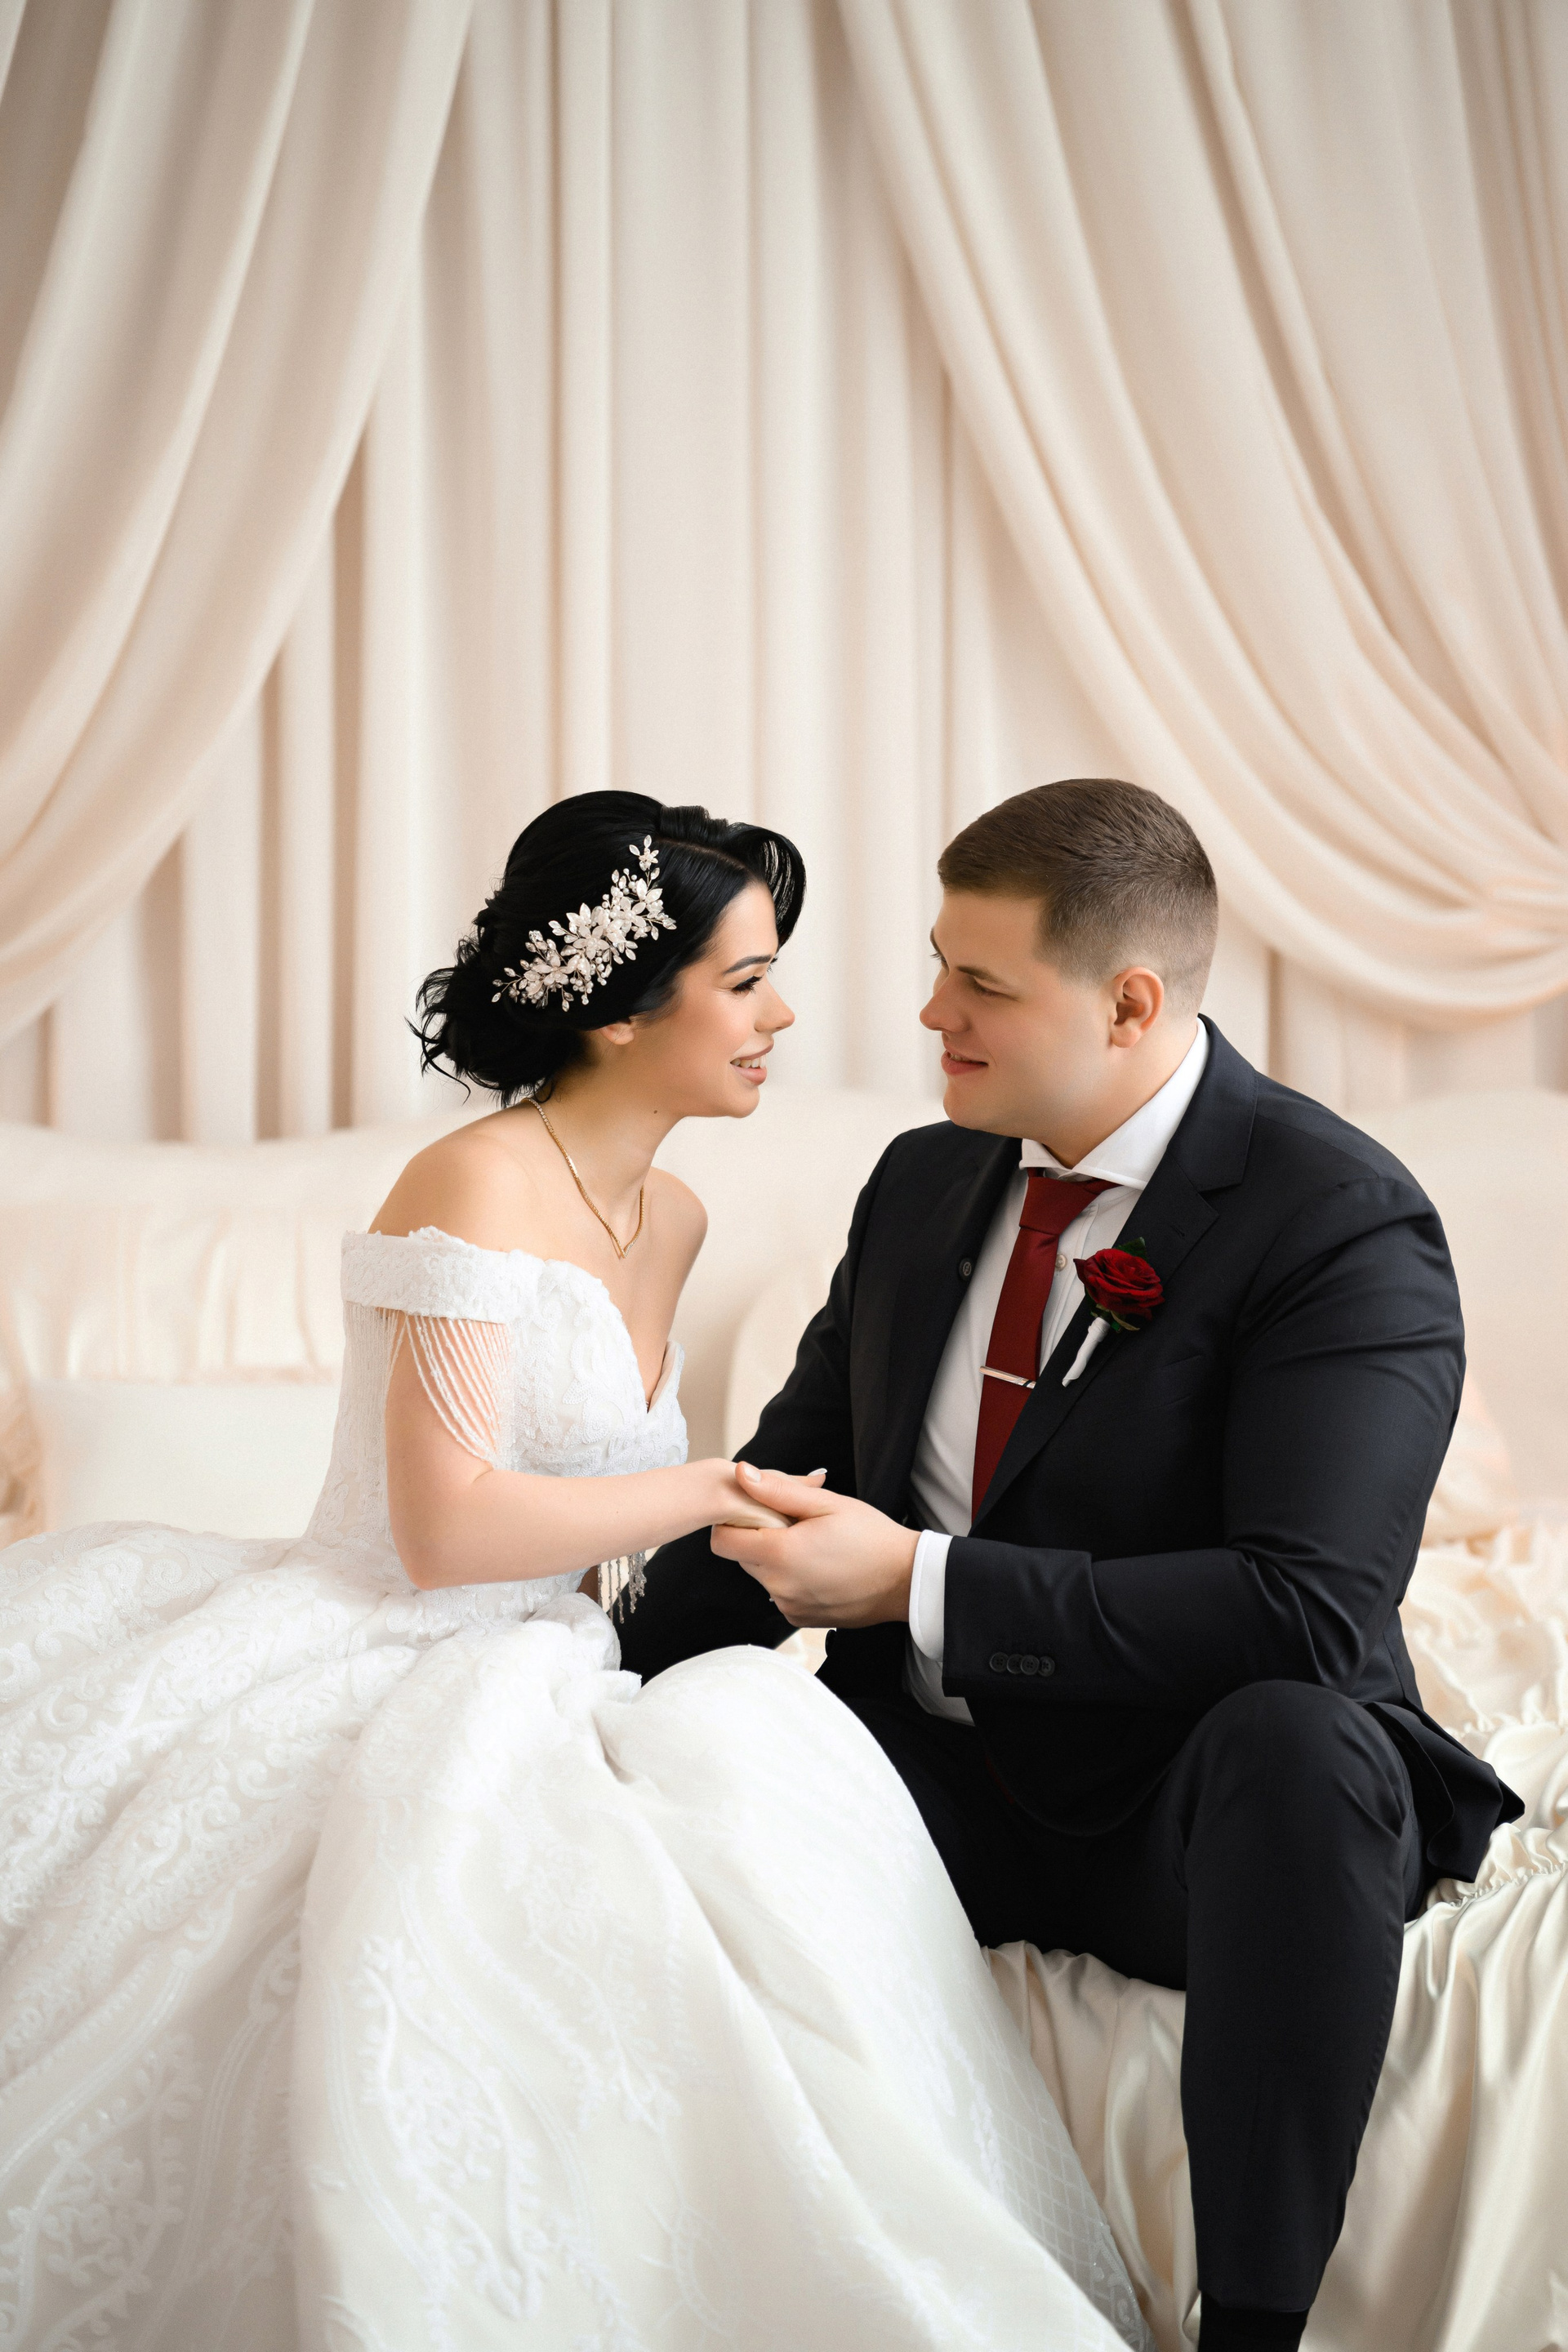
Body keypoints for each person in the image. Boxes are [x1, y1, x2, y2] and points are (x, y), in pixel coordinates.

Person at [0, 791, 1148, 2352]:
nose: (783, 1017)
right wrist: (714, 1484)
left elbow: (603, 1549)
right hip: (382, 1641)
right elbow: (443, 1532)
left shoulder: (674, 1215)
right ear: (619, 1009)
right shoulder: (471, 1183)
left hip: (562, 1666)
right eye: (748, 982)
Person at [619, 777, 1524, 2352]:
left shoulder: (1340, 1222)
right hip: (930, 1787)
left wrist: (919, 1585)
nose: (931, 1013)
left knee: (1302, 1742)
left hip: (1193, 1809)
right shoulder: (923, 1182)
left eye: (981, 984)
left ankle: (1253, 2326)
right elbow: (789, 1484)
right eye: (938, 965)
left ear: (1129, 1004)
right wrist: (584, 1682)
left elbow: (1309, 1613)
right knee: (684, 1764)